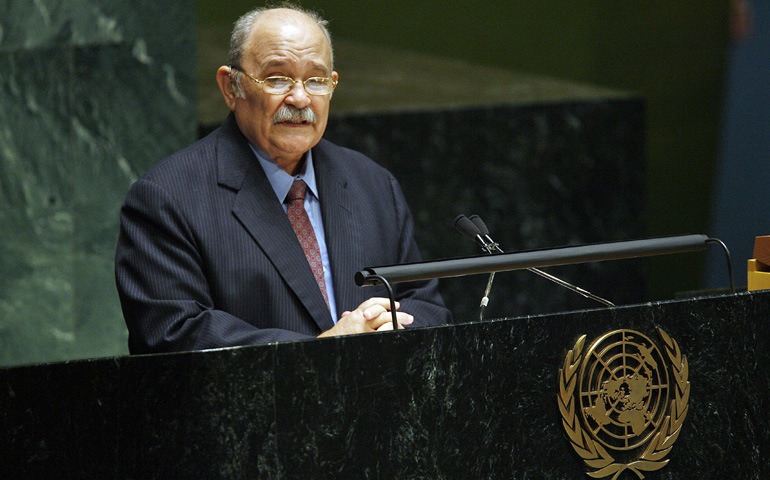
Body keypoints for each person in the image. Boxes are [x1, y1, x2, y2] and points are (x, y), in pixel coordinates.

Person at [114, 4, 451, 354]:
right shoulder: (167, 198)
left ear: (332, 86)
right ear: (232, 87)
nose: (300, 97)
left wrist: (385, 329)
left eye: (316, 80)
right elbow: (174, 333)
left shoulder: (373, 184)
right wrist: (324, 350)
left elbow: (425, 304)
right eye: (277, 78)